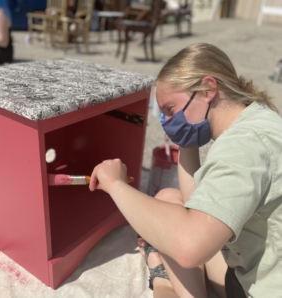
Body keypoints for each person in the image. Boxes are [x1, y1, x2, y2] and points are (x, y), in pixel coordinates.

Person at [88, 43, 282, 298]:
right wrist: (186, 140)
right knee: (168, 197)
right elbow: (196, 204)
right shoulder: (258, 120)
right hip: (265, 265)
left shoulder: (242, 145)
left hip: (261, 288)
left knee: (172, 234)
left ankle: (161, 278)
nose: (167, 122)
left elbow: (189, 247)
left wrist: (116, 185)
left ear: (208, 89)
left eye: (171, 110)